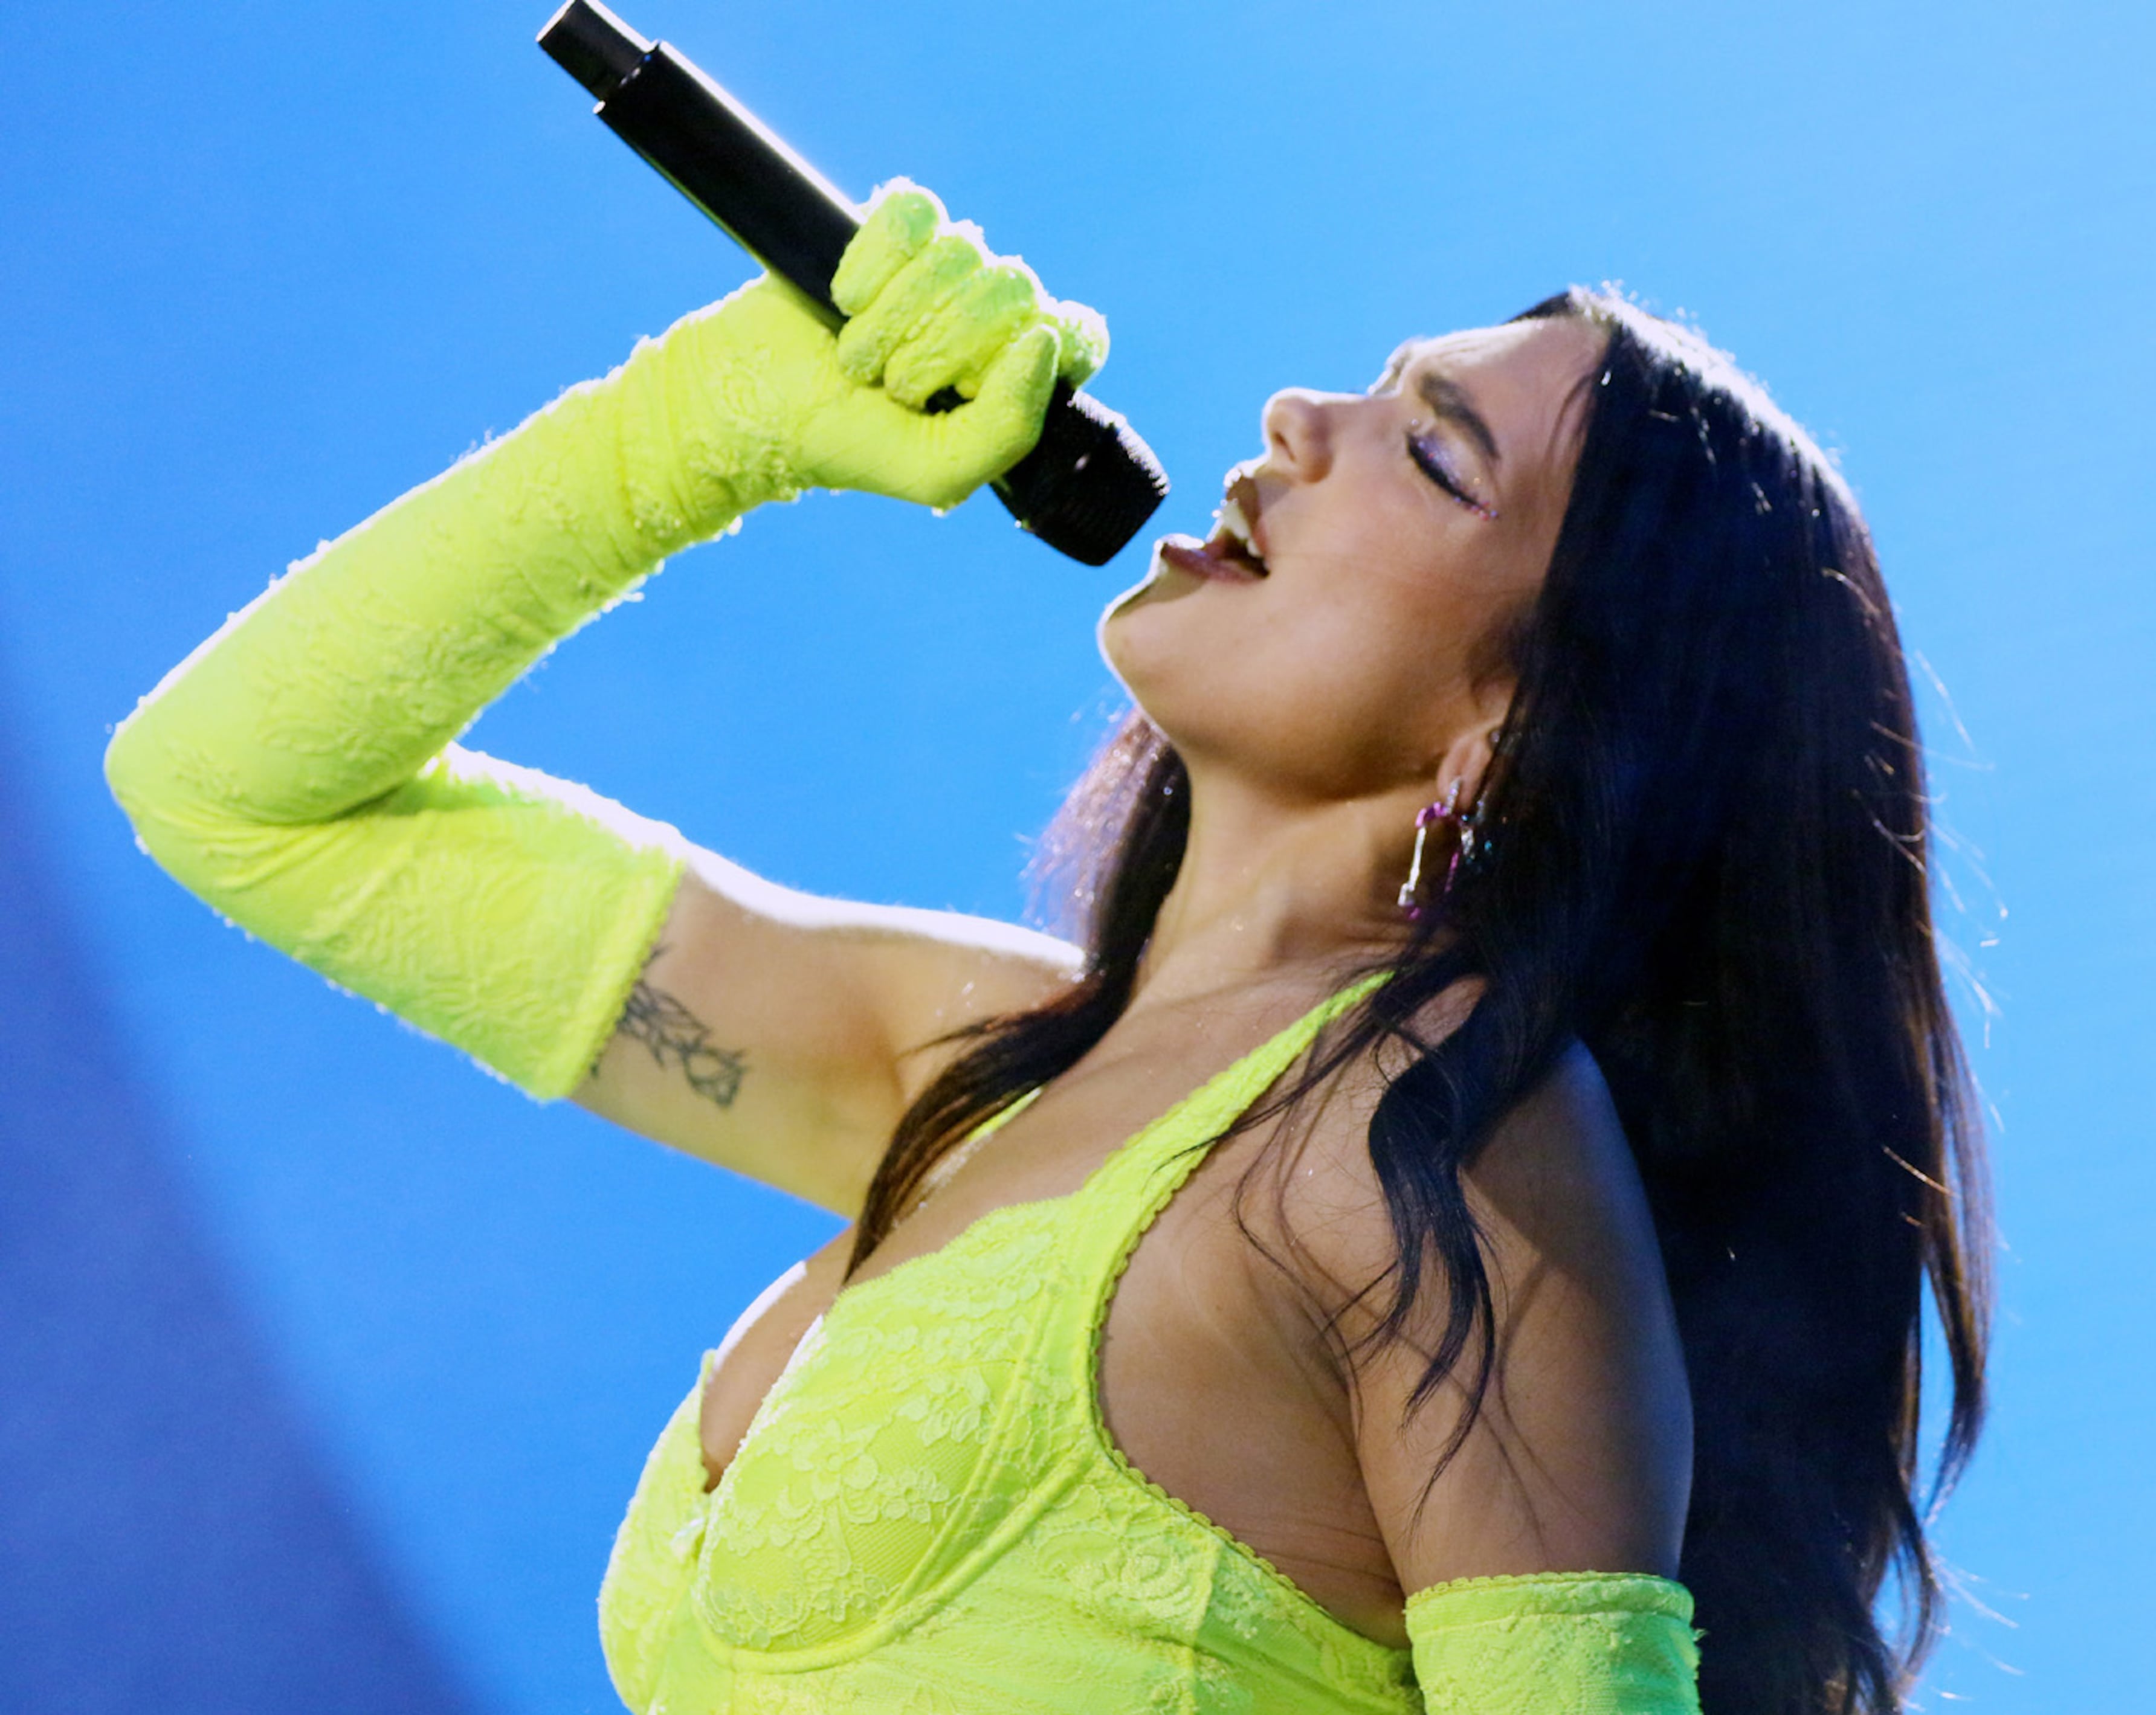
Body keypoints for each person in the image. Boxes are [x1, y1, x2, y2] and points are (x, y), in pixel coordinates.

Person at [106, 180, 1990, 1714]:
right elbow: (238, 793)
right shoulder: (963, 1065)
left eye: (1430, 457)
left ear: (1518, 725)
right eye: (1368, 382)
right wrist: (698, 431)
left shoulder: (1438, 1146)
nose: (1298, 422)